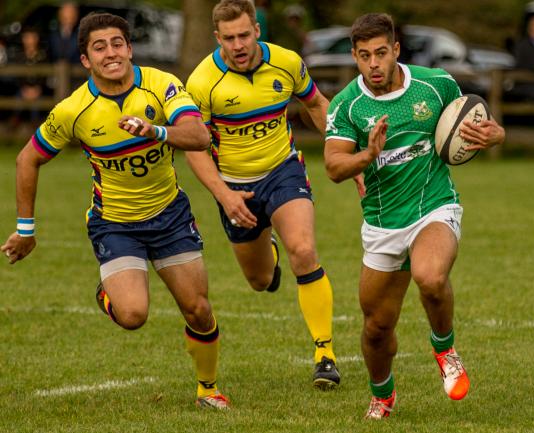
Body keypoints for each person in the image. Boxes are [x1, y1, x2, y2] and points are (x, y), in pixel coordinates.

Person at [1, 12, 229, 410]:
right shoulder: (75, 109)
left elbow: (198, 135)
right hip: (115, 224)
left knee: (199, 309)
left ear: (130, 48)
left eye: (117, 43)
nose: (111, 53)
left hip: (170, 216)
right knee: (132, 315)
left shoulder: (161, 85)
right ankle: (110, 294)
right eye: (99, 47)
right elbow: (27, 159)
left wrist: (155, 130)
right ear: (86, 60)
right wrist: (25, 228)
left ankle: (208, 390)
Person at [323, 13, 505, 419]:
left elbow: (476, 123)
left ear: (396, 50)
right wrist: (367, 155)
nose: (374, 64)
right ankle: (382, 396)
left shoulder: (435, 84)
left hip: (434, 205)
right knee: (376, 329)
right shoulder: (347, 105)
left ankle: (445, 349)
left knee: (431, 276)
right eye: (365, 55)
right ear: (354, 56)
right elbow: (334, 167)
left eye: (381, 53)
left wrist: (495, 135)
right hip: (383, 223)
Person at [185, 0, 340, 390]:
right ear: (217, 38)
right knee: (259, 280)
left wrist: (343, 152)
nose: (238, 45)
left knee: (303, 251)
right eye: (229, 38)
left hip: (283, 170)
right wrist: (224, 196)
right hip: (234, 186)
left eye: (244, 35)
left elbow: (316, 104)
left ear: (257, 30)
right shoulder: (202, 82)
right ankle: (266, 251)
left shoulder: (286, 62)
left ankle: (325, 354)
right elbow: (194, 147)